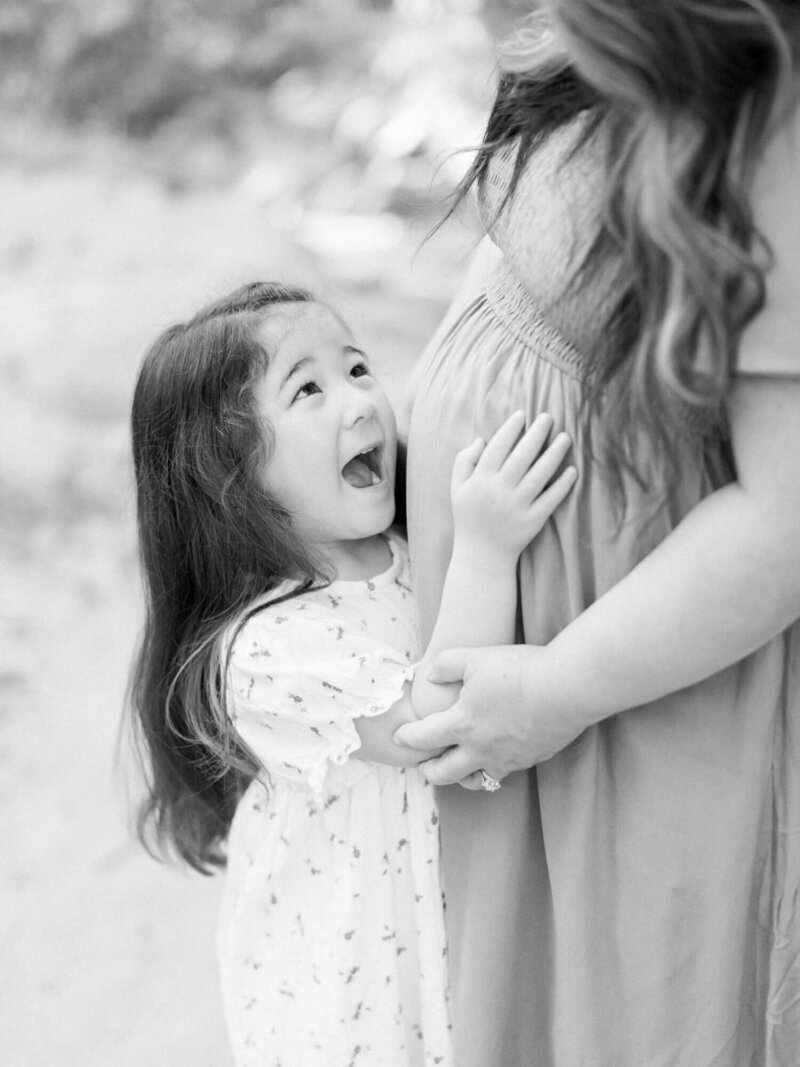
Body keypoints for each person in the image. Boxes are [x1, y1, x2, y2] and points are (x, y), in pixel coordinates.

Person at [395, 2, 800, 1065]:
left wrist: (555, 689)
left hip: (632, 676)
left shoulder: (777, 136)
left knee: (618, 1008)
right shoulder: (604, 38)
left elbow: (785, 520)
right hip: (529, 664)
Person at [127, 281, 576, 1066]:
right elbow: (435, 724)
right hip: (356, 979)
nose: (360, 400)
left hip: (447, 917)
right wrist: (486, 549)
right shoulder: (261, 649)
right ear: (229, 474)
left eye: (358, 367)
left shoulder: (408, 546)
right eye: (308, 388)